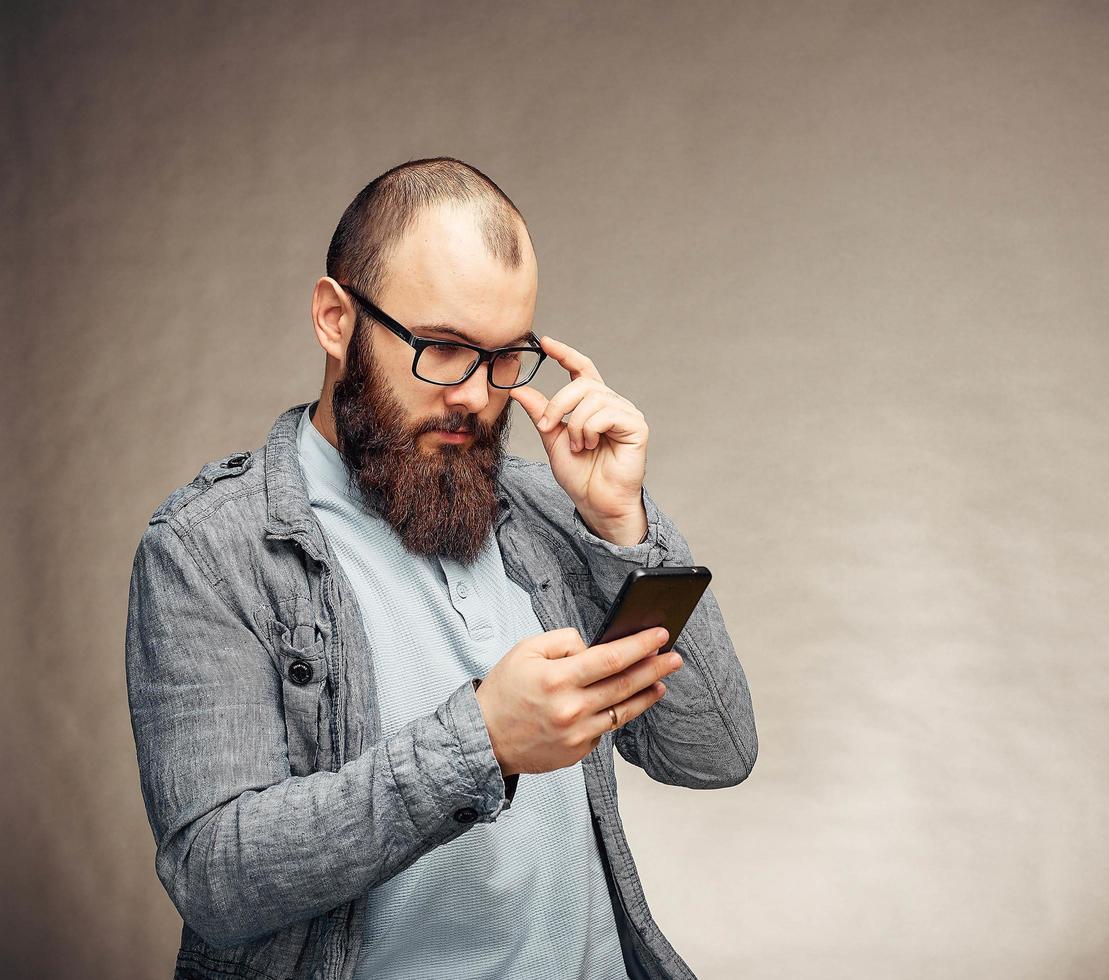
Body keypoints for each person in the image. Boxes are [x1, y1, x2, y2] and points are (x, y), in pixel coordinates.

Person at [124, 157, 758, 980]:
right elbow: (218, 879)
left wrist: (620, 526)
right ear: (334, 318)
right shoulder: (211, 550)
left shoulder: (551, 508)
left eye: (504, 357)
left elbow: (714, 753)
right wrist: (482, 742)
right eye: (444, 348)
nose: (476, 395)